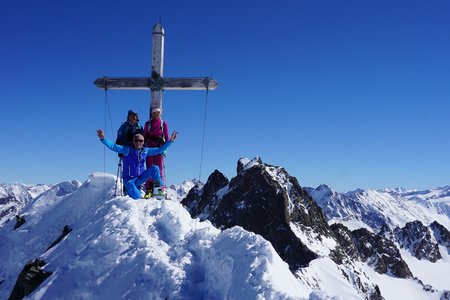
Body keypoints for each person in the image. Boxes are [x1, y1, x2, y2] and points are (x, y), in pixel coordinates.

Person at [97, 129, 178, 200]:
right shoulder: (126, 150)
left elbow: (160, 150)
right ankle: (131, 192)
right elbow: (114, 147)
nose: (138, 142)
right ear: (133, 141)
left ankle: (160, 195)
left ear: (143, 142)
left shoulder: (145, 151)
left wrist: (170, 141)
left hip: (141, 178)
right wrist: (103, 139)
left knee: (155, 168)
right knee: (137, 198)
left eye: (141, 141)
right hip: (129, 180)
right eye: (136, 140)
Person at [143, 107, 169, 194]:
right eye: (154, 112)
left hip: (159, 149)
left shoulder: (163, 123)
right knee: (150, 169)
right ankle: (149, 191)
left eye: (158, 112)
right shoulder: (148, 124)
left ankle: (158, 192)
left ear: (160, 113)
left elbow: (167, 138)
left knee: (159, 169)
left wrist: (165, 150)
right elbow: (144, 137)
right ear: (152, 114)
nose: (156, 114)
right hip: (149, 149)